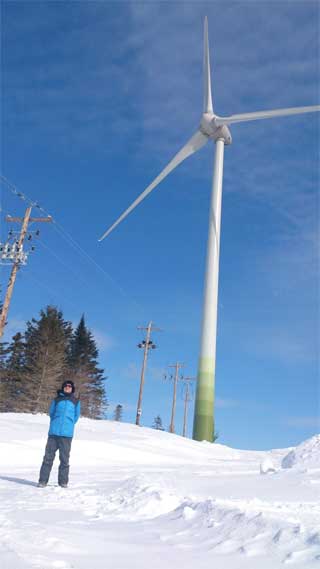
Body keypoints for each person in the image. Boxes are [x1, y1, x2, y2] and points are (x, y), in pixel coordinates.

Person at [38, 380, 81, 488]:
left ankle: (63, 482)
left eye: (69, 386)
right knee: (48, 458)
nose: (67, 387)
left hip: (66, 435)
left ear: (72, 389)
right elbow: (51, 413)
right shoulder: (56, 400)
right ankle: (42, 481)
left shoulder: (76, 401)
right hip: (53, 433)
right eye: (66, 386)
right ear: (63, 387)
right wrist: (56, 422)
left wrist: (69, 424)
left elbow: (76, 417)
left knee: (64, 459)